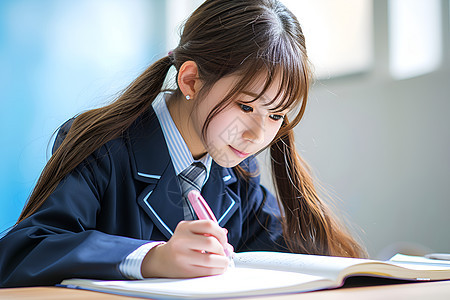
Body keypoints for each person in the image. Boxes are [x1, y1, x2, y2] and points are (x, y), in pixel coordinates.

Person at [0, 0, 366, 287]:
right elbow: (22, 251)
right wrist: (151, 258)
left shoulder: (236, 170)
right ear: (190, 81)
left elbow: (282, 253)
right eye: (245, 105)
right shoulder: (102, 145)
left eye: (275, 115)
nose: (258, 134)